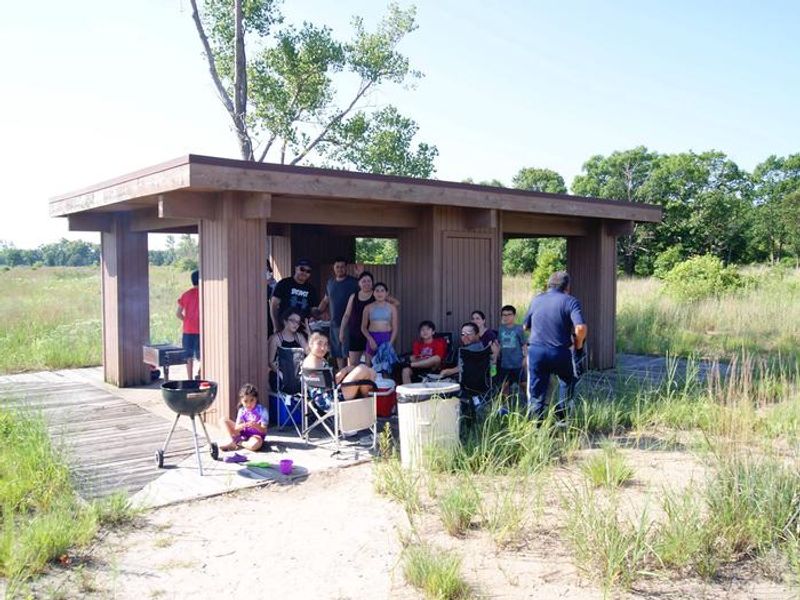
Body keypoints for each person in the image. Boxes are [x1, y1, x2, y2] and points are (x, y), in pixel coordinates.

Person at [523, 271, 587, 422]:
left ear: (548, 284)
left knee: (536, 392)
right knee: (567, 381)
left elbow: (525, 326)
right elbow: (581, 328)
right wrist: (578, 346)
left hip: (537, 351)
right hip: (560, 352)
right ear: (567, 287)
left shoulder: (536, 300)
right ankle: (561, 420)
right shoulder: (570, 301)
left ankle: (536, 428)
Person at [302, 332, 377, 409]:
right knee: (363, 368)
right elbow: (330, 384)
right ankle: (366, 404)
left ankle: (365, 402)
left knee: (370, 372)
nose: (323, 348)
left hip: (332, 394)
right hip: (330, 400)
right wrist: (345, 370)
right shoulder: (313, 363)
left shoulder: (317, 359)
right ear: (311, 344)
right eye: (319, 344)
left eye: (325, 344)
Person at [316, 257, 359, 369]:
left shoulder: (354, 282)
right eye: (337, 267)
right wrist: (316, 312)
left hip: (351, 324)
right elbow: (326, 300)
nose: (340, 269)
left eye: (342, 267)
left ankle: (351, 379)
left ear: (346, 268)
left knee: (349, 354)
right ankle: (342, 381)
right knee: (338, 354)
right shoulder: (330, 282)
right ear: (334, 268)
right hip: (334, 324)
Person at [270, 259, 319, 333]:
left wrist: (319, 315)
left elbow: (314, 310)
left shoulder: (311, 289)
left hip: (302, 329)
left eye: (308, 271)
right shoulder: (283, 284)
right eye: (302, 269)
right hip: (283, 327)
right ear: (296, 268)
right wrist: (276, 325)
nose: (304, 273)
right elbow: (274, 305)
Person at [267, 307, 308, 391]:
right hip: (280, 375)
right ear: (285, 321)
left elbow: (310, 352)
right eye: (293, 321)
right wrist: (282, 375)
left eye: (298, 322)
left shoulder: (299, 337)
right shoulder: (276, 338)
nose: (295, 324)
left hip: (296, 375)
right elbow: (270, 362)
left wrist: (309, 332)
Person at [339, 271, 376, 367]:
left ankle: (369, 382)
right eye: (364, 281)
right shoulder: (354, 296)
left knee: (370, 364)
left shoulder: (376, 295)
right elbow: (347, 315)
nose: (366, 283)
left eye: (369, 281)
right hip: (355, 333)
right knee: (353, 363)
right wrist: (342, 331)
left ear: (372, 283)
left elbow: (393, 303)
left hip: (371, 334)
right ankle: (354, 382)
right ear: (359, 283)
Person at [220, 383, 268, 451]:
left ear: (256, 399)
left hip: (256, 436)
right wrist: (244, 425)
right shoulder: (242, 410)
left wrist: (256, 426)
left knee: (254, 446)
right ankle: (230, 441)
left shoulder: (262, 410)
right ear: (241, 401)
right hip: (243, 433)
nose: (249, 404)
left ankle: (238, 443)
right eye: (245, 401)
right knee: (223, 420)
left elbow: (264, 431)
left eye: (252, 400)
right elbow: (236, 428)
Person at [362, 282, 398, 362]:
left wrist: (390, 344)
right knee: (369, 366)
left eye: (382, 291)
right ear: (373, 293)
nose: (380, 293)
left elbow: (395, 328)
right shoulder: (368, 307)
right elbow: (363, 327)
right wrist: (370, 340)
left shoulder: (392, 308)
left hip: (386, 338)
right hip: (372, 338)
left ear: (386, 293)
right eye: (377, 291)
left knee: (385, 367)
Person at [497, 305, 528, 396]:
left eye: (508, 314)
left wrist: (525, 358)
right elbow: (499, 344)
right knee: (504, 386)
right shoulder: (501, 329)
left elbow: (524, 344)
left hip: (518, 363)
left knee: (523, 384)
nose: (506, 317)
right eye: (504, 315)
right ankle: (504, 407)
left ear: (514, 316)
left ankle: (530, 403)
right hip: (505, 363)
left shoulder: (519, 328)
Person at [176, 269, 201, 380]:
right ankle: (201, 374)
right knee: (202, 356)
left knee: (188, 356)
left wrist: (186, 320)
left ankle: (190, 379)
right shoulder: (205, 293)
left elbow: (178, 313)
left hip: (188, 330)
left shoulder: (186, 295)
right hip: (201, 330)